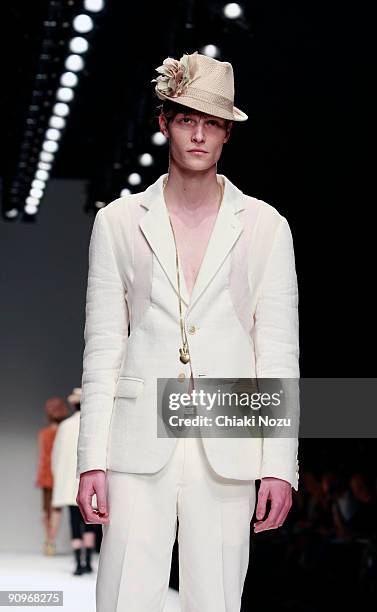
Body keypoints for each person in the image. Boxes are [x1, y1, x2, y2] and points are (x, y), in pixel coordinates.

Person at [76, 50, 300, 611]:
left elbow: (276, 352)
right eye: (186, 120)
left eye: (212, 123)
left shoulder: (267, 226)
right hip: (135, 440)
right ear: (164, 125)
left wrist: (279, 466)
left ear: (227, 133)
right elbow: (104, 346)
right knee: (123, 597)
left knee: (218, 601)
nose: (198, 135)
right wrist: (90, 459)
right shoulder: (120, 222)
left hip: (227, 435)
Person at [51, 387, 98, 575]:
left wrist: (59, 477)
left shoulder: (65, 427)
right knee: (89, 521)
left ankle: (78, 561)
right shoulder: (93, 425)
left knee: (74, 521)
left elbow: (56, 456)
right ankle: (87, 560)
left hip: (69, 482)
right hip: (88, 481)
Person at [35, 396, 69, 555]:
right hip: (60, 472)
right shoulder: (65, 431)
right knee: (56, 508)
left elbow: (43, 456)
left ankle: (49, 541)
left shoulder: (44, 433)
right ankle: (50, 541)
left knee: (47, 509)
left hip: (46, 472)